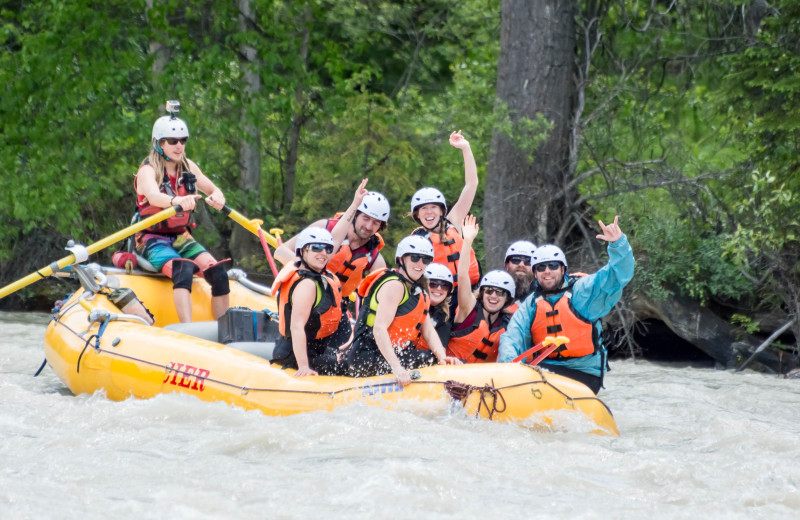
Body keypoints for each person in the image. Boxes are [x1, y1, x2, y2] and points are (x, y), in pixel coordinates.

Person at [498, 216, 635, 394]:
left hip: (583, 373)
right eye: (541, 267)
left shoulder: (582, 291)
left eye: (553, 266)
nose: (547, 271)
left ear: (563, 269)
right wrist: (507, 368)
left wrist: (618, 245)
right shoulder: (531, 304)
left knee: (539, 379)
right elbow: (512, 337)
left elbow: (617, 276)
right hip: (545, 369)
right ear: (535, 273)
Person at [134, 107, 229, 323]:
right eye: (172, 141)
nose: (179, 146)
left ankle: (224, 331)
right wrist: (176, 201)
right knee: (183, 269)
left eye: (182, 141)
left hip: (181, 236)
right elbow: (153, 196)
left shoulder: (189, 167)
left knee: (219, 273)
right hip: (151, 239)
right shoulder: (148, 170)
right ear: (159, 143)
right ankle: (188, 328)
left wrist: (218, 196)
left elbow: (213, 189)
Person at [271, 181, 369, 376]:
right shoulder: (306, 283)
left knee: (351, 357)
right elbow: (297, 327)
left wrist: (355, 205)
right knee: (351, 366)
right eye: (316, 248)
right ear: (303, 251)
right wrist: (304, 367)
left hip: (316, 350)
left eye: (327, 249)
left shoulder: (319, 272)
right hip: (295, 356)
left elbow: (338, 234)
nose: (323, 253)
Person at [342, 235, 461, 386]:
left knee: (434, 357)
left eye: (425, 259)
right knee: (428, 358)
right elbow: (379, 329)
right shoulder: (395, 285)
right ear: (401, 260)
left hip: (385, 355)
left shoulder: (419, 292)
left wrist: (443, 357)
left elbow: (429, 331)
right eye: (415, 258)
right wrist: (397, 368)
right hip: (365, 356)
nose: (420, 263)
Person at [275, 189, 390, 303]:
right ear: (355, 215)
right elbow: (281, 251)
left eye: (375, 223)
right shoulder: (324, 228)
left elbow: (382, 295)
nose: (369, 226)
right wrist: (310, 271)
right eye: (366, 218)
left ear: (380, 226)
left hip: (334, 304)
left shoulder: (375, 259)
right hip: (302, 292)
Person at [409, 130, 480, 290]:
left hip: (467, 295)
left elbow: (471, 184)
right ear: (417, 215)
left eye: (433, 207)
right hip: (438, 297)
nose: (429, 212)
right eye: (424, 209)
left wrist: (466, 148)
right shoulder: (416, 241)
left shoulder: (453, 221)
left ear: (441, 211)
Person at [447, 216, 517, 363]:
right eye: (489, 291)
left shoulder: (508, 323)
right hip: (452, 374)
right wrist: (467, 241)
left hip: (482, 380)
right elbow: (462, 276)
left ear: (507, 299)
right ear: (482, 293)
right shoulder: (468, 307)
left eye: (500, 293)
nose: (493, 296)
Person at [414, 263, 454, 351]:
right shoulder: (409, 302)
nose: (439, 288)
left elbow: (441, 352)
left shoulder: (443, 318)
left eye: (445, 285)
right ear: (423, 284)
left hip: (416, 357)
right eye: (433, 283)